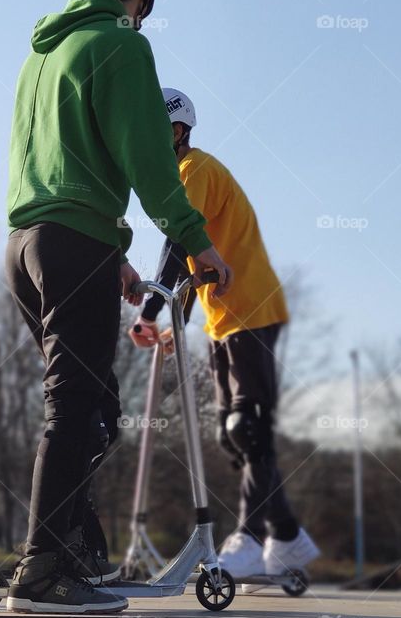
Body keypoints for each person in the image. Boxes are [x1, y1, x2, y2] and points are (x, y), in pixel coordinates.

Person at [4, 0, 231, 614]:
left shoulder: (40, 56)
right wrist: (197, 242)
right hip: (75, 244)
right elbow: (152, 166)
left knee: (94, 405)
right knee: (75, 406)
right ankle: (43, 573)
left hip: (26, 243)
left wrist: (118, 259)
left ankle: (72, 551)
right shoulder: (123, 45)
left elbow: (60, 167)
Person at [129, 88, 318, 585]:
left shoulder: (195, 171)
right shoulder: (178, 180)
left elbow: (177, 245)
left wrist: (152, 310)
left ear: (176, 131)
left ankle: (252, 540)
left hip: (251, 308)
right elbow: (196, 261)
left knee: (248, 426)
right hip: (223, 319)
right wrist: (176, 322)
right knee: (233, 437)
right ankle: (288, 536)